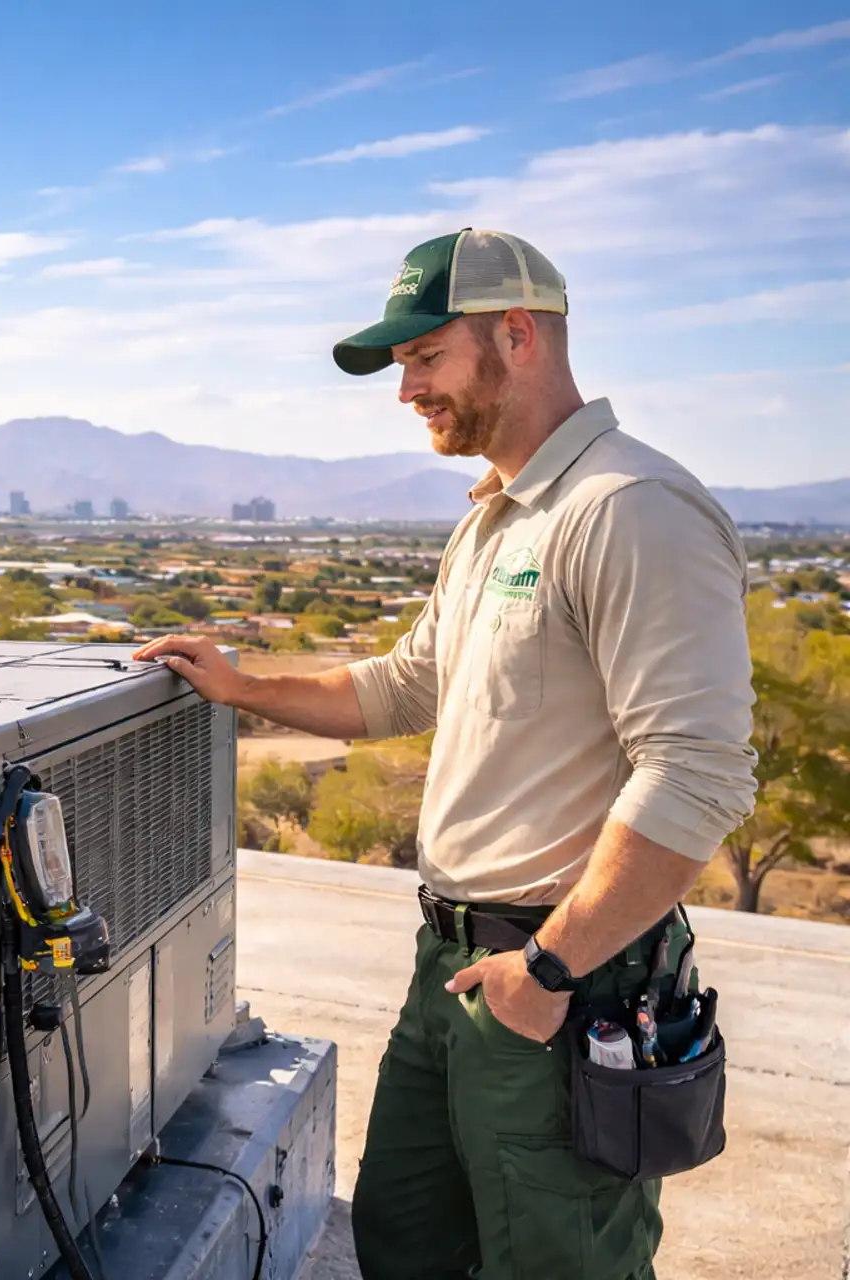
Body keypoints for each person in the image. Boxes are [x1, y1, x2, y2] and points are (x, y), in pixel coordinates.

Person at [135, 228, 757, 1279]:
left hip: (560, 977)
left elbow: (697, 771)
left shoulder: (629, 508)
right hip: (457, 966)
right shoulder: (496, 518)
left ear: (516, 335)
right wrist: (246, 688)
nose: (404, 388)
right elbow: (406, 682)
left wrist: (551, 965)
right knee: (406, 1235)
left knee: (560, 1261)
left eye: (425, 356)